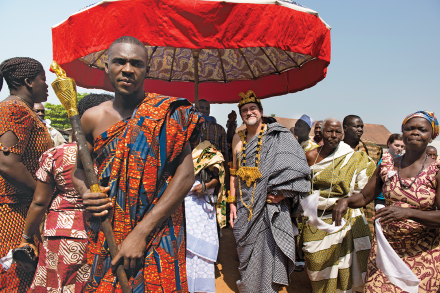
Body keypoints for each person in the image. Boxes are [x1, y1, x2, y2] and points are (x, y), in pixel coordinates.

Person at [72, 36, 203, 292]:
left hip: (160, 230)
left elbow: (186, 176)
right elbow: (79, 170)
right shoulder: (91, 118)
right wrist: (86, 192)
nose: (128, 69)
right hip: (108, 229)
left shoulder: (169, 113)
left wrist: (141, 233)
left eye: (137, 64)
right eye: (120, 62)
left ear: (147, 70)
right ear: (106, 66)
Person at [333, 111, 440, 292]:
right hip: (386, 249)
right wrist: (346, 201)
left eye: (421, 129)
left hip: (423, 252)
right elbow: (365, 196)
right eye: (409, 128)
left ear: (432, 136)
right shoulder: (387, 164)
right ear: (402, 132)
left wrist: (409, 213)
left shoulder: (436, 171)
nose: (415, 132)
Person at [16, 94, 113, 292]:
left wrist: (26, 238)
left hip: (59, 235)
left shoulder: (56, 154)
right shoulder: (115, 154)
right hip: (100, 231)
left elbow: (39, 202)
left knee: (55, 285)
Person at [228, 90, 311, 292]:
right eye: (245, 110)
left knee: (267, 256)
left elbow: (299, 169)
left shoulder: (278, 135)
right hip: (244, 207)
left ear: (261, 111)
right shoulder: (237, 139)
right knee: (245, 255)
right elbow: (233, 174)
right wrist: (231, 203)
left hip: (268, 208)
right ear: (241, 115)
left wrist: (284, 193)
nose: (249, 113)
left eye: (253, 108)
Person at [303, 118, 376, 293]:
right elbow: (301, 186)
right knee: (315, 262)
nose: (333, 136)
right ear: (321, 133)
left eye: (337, 132)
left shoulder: (354, 158)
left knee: (347, 264)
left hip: (345, 218)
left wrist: (348, 201)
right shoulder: (310, 156)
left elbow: (367, 187)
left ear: (342, 134)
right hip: (315, 216)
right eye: (329, 131)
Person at [0, 57, 52, 291]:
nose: (47, 84)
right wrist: (42, 193)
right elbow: (7, 163)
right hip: (12, 210)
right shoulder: (14, 108)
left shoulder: (25, 111)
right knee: (15, 279)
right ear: (28, 81)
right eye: (43, 79)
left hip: (24, 207)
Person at [185, 140, 225, 293]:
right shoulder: (178, 148)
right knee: (187, 250)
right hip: (184, 204)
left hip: (202, 206)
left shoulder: (207, 151)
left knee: (202, 254)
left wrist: (206, 186)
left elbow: (219, 176)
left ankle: (201, 288)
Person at [343, 114, 383, 233]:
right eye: (356, 126)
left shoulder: (372, 148)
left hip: (367, 201)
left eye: (361, 127)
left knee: (366, 235)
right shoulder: (337, 149)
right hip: (344, 200)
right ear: (345, 128)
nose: (360, 129)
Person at [375, 133, 404, 207]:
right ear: (389, 144)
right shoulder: (384, 161)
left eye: (402, 146)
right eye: (396, 145)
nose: (399, 149)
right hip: (382, 200)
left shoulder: (401, 160)